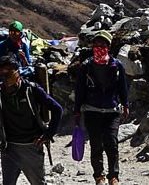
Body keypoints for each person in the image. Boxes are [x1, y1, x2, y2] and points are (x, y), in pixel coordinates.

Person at [73, 32, 128, 185]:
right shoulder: (86, 67)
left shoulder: (117, 66)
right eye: (96, 45)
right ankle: (99, 176)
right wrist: (77, 110)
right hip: (91, 111)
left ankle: (113, 176)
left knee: (112, 143)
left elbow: (123, 88)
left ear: (108, 47)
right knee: (96, 144)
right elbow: (80, 90)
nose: (99, 49)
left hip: (112, 111)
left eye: (102, 46)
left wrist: (125, 105)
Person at [0, 54, 61, 185]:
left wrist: (48, 134)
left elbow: (57, 109)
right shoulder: (1, 93)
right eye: (2, 75)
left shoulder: (31, 90)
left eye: (8, 74)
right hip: (8, 148)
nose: (5, 79)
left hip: (31, 147)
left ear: (17, 72)